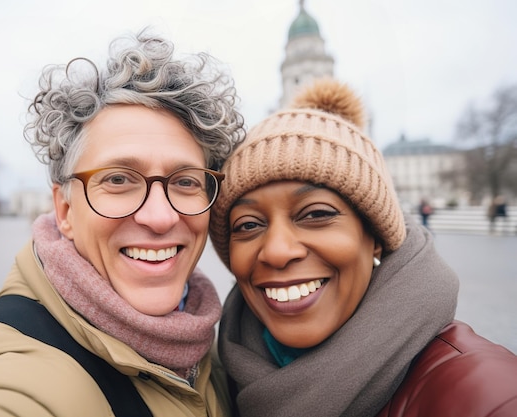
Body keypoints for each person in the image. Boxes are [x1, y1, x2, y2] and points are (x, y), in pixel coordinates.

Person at [0, 29, 244, 417]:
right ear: (64, 211)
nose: (160, 216)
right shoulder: (11, 374)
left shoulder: (219, 349)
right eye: (118, 180)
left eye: (185, 181)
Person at [209, 79, 517, 417]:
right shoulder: (214, 375)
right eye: (248, 225)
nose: (278, 251)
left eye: (316, 214)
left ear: (375, 238)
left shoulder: (483, 395)